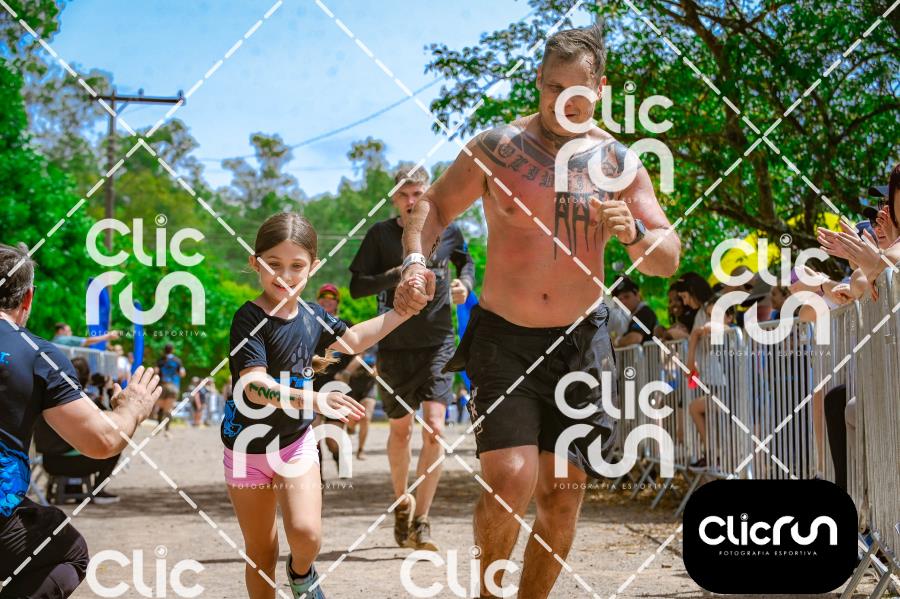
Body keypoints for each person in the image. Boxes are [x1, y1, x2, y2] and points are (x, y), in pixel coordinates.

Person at [394, 23, 680, 596]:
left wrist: (633, 234)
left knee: (561, 497)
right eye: (551, 88)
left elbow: (667, 256)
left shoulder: (619, 162)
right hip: (505, 338)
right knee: (509, 481)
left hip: (581, 343)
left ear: (600, 89)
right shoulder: (495, 148)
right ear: (538, 82)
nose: (561, 102)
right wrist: (415, 263)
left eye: (575, 91)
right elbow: (434, 209)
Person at [221, 212, 422, 599]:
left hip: (295, 443)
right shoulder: (249, 318)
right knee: (261, 552)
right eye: (273, 264)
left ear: (313, 267)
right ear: (255, 263)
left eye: (296, 266)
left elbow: (354, 339)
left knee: (307, 534)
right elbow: (253, 386)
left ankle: (301, 573)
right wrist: (314, 399)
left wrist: (403, 312)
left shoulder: (314, 315)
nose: (285, 275)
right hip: (246, 448)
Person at [0, 242, 161, 598]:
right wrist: (132, 408)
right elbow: (102, 441)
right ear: (28, 298)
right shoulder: (37, 355)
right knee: (67, 549)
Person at [349, 165, 475, 552]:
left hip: (438, 342)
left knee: (435, 428)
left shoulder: (449, 230)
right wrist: (402, 272)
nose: (410, 201)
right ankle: (401, 501)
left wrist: (465, 283)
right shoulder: (380, 235)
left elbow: (466, 262)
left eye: (417, 194)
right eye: (403, 195)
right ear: (394, 198)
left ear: (428, 194)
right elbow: (357, 287)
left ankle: (422, 519)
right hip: (394, 344)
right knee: (401, 431)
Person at [34, 357, 122, 505]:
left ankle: (69, 489)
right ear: (87, 377)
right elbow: (110, 425)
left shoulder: (45, 399)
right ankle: (98, 490)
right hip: (79, 464)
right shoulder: (89, 401)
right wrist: (107, 391)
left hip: (49, 462)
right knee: (114, 448)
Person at [310, 284, 355, 472]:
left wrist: (347, 373)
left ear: (337, 302)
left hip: (337, 386)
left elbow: (360, 353)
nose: (327, 300)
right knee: (313, 435)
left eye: (331, 298)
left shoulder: (346, 325)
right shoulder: (309, 325)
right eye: (323, 297)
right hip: (313, 385)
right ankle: (318, 477)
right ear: (318, 301)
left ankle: (340, 460)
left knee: (332, 439)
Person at [343, 347, 378, 460]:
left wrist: (377, 371)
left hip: (369, 388)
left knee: (366, 417)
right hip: (352, 388)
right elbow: (345, 372)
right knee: (352, 418)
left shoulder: (377, 348)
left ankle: (361, 450)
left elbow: (381, 369)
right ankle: (350, 428)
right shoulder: (351, 348)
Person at [610, 276, 658, 347]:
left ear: (637, 295)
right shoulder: (636, 314)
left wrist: (616, 342)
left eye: (627, 297)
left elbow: (635, 338)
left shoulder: (644, 313)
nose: (623, 302)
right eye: (620, 299)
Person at [52, 322, 119, 348]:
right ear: (60, 331)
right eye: (68, 331)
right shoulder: (63, 339)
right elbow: (87, 341)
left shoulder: (54, 341)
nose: (71, 333)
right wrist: (108, 336)